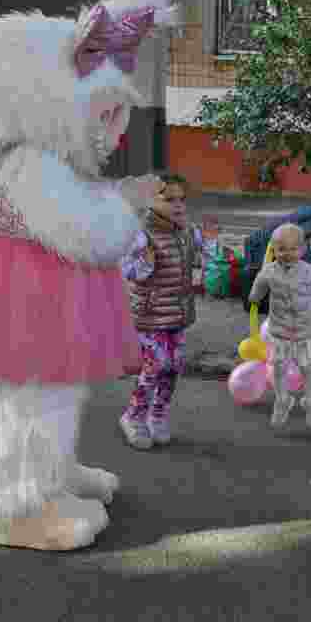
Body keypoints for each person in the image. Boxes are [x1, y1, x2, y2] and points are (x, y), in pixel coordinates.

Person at [0, 0, 176, 550]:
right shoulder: (33, 162)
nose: (116, 134)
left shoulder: (45, 158)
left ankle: (52, 477)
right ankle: (16, 507)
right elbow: (90, 234)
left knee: (48, 393)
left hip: (27, 294)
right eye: (106, 114)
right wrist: (128, 203)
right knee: (12, 404)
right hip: (9, 302)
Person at [120, 172, 219, 449]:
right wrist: (146, 264)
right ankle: (134, 417)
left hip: (177, 314)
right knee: (155, 365)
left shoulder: (187, 232)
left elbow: (210, 261)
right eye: (169, 199)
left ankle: (158, 415)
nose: (178, 205)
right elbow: (127, 272)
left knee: (173, 367)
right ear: (150, 201)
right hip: (149, 315)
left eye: (182, 199)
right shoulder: (140, 235)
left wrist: (210, 242)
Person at [248, 223, 311, 429]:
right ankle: (282, 399)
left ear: (302, 250)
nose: (287, 254)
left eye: (293, 249)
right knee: (278, 367)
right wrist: (254, 298)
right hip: (280, 330)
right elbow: (257, 289)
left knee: (308, 367)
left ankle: (310, 400)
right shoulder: (269, 272)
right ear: (273, 250)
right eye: (281, 249)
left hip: (305, 329)